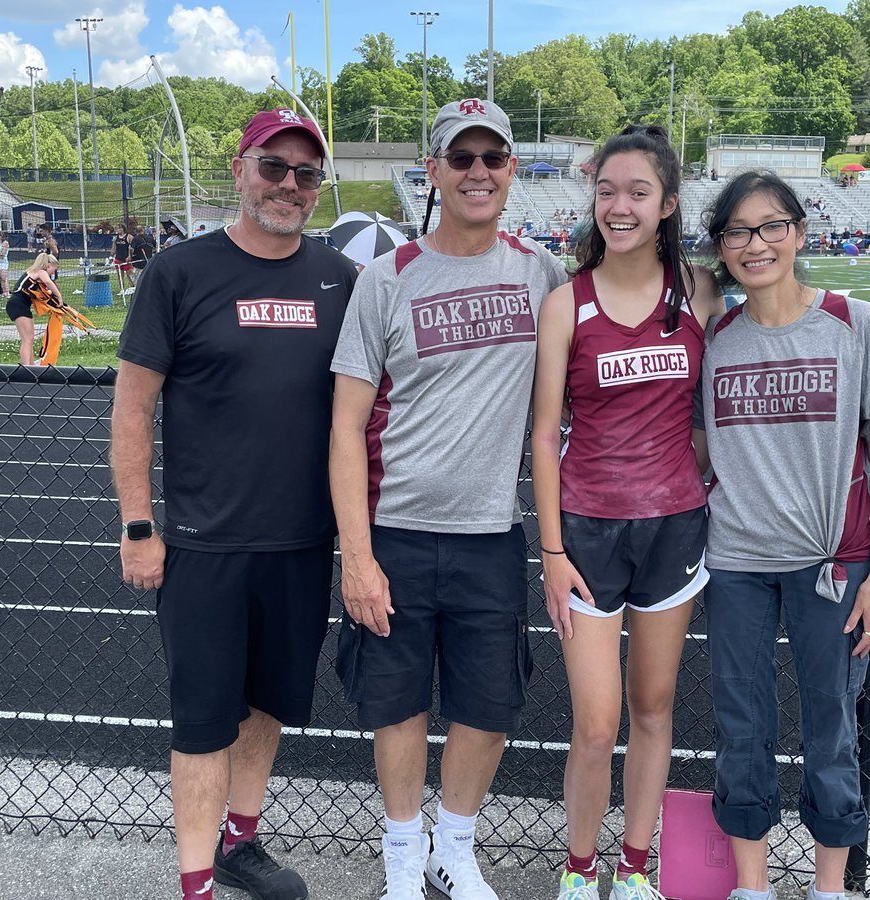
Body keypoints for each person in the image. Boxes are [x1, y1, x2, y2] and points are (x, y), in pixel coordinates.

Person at [111, 106, 358, 900]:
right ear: (240, 170)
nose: (289, 185)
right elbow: (132, 407)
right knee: (203, 719)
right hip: (203, 544)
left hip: (300, 542)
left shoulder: (339, 279)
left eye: (305, 173)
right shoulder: (179, 272)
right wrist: (138, 525)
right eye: (273, 167)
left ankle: (238, 842)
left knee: (267, 705)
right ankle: (195, 884)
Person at [329, 97, 566, 900]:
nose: (477, 172)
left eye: (492, 157)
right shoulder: (386, 279)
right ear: (432, 171)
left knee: (488, 706)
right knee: (395, 706)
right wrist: (357, 557)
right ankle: (402, 854)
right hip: (395, 530)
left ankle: (452, 849)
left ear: (512, 169)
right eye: (460, 158)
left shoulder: (541, 274)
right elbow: (345, 425)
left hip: (490, 532)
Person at [530, 124, 724, 900]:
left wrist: (685, 471)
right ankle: (580, 871)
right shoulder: (565, 304)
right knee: (594, 722)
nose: (620, 206)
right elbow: (544, 435)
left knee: (652, 708)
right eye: (607, 190)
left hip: (674, 529)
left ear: (667, 203)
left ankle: (636, 868)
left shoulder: (699, 293)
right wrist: (551, 552)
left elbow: (714, 409)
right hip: (586, 534)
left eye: (638, 192)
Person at [698, 170, 870, 900]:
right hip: (735, 562)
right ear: (721, 246)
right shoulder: (715, 339)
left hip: (833, 564)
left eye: (771, 227)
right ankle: (752, 887)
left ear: (800, 233)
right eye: (738, 232)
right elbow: (698, 447)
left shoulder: (856, 324)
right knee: (740, 724)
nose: (756, 244)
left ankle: (828, 889)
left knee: (832, 728)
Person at [7, 253, 61, 366]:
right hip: (18, 304)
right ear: (48, 265)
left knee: (30, 338)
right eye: (53, 269)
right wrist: (59, 296)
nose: (52, 273)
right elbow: (48, 282)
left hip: (23, 305)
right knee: (27, 339)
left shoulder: (34, 274)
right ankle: (27, 366)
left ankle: (31, 365)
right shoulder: (40, 272)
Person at [0, 230, 11, 294]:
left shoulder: (5, 243)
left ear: (1, 236)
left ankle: (7, 292)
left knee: (4, 277)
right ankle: (4, 292)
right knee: (0, 278)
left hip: (3, 262)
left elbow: (3, 253)